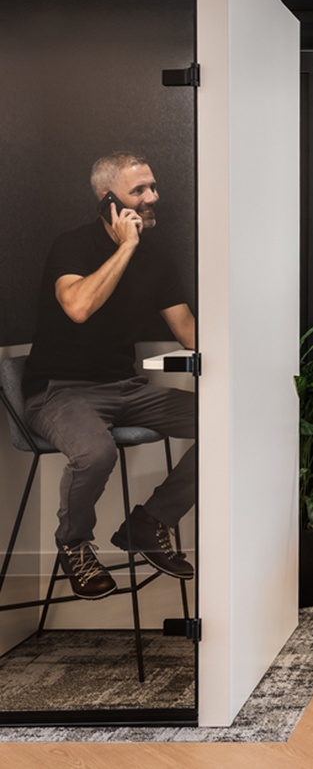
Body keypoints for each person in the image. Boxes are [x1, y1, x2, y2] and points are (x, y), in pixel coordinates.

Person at [22, 152, 196, 599]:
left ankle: (150, 521)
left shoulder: (158, 261)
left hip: (126, 388)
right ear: (108, 202)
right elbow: (78, 307)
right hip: (59, 392)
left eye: (152, 187)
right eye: (139, 191)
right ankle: (74, 546)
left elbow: (189, 332)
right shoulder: (73, 245)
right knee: (98, 454)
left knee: (227, 422)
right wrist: (126, 247)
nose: (152, 197)